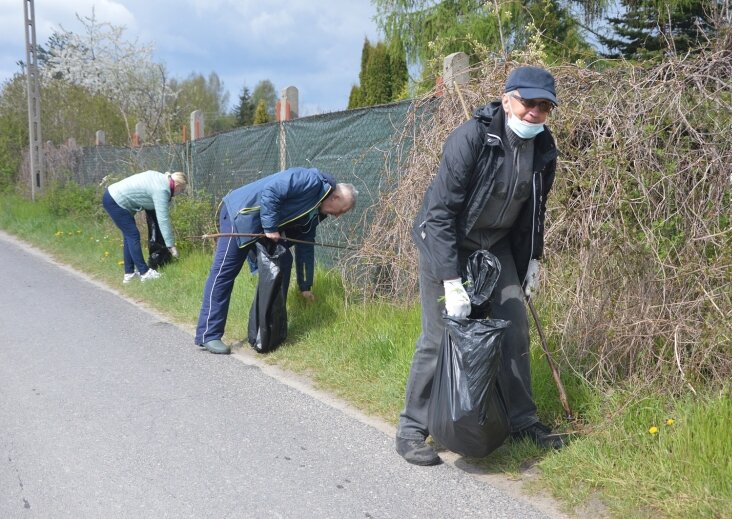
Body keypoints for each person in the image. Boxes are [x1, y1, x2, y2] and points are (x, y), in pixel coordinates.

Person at [395, 66, 563, 466]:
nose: (534, 112)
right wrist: (451, 281)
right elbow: (439, 214)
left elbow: (534, 212)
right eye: (528, 102)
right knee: (439, 338)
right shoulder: (471, 138)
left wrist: (533, 260)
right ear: (507, 100)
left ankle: (522, 420)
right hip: (449, 244)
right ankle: (411, 429)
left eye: (544, 106)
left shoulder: (543, 147)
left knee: (514, 328)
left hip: (498, 248)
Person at [195, 166, 357, 355]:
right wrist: (271, 227)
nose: (337, 216)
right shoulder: (310, 180)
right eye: (341, 211)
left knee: (283, 263)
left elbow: (306, 246)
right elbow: (272, 190)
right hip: (240, 215)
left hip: (262, 226)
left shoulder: (316, 212)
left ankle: (267, 331)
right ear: (336, 198)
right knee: (224, 272)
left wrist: (305, 287)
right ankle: (209, 334)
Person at [102, 170, 187, 284]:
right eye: (181, 190)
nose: (180, 193)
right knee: (133, 235)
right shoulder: (162, 190)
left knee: (129, 236)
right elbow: (163, 220)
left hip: (111, 196)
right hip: (115, 201)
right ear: (177, 185)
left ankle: (129, 274)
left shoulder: (161, 178)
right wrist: (171, 246)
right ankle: (145, 273)